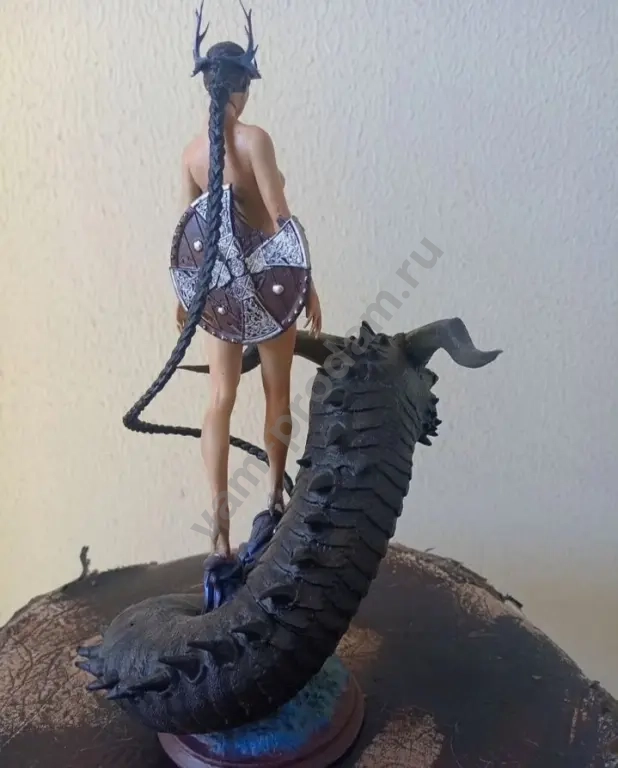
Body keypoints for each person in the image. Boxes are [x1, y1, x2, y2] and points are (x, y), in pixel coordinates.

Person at [175, 5, 323, 558]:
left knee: (220, 397)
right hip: (269, 286)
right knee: (276, 391)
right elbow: (280, 219)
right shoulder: (255, 140)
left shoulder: (192, 154)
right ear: (242, 87)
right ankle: (274, 498)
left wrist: (185, 298)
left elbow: (188, 236)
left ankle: (218, 532)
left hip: (216, 293)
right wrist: (308, 281)